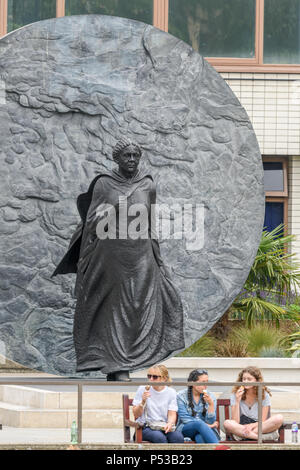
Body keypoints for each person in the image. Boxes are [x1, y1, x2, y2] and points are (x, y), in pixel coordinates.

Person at [52, 137, 184, 381]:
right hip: (111, 254)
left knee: (143, 305)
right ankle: (116, 365)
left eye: (136, 155)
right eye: (127, 155)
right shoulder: (104, 183)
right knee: (114, 308)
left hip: (141, 253)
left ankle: (127, 361)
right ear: (117, 158)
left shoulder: (147, 185)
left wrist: (158, 257)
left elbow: (150, 223)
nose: (132, 160)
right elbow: (91, 221)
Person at [223, 366, 283, 440]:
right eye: (244, 379)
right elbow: (235, 421)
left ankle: (244, 436)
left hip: (258, 426)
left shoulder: (263, 394)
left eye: (249, 379)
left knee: (279, 418)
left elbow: (263, 421)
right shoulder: (235, 394)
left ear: (257, 381)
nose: (245, 382)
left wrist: (251, 426)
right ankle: (259, 438)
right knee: (227, 423)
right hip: (242, 426)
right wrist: (237, 401)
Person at [132, 364, 184, 443]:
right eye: (149, 376)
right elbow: (136, 414)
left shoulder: (171, 392)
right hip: (145, 427)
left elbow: (172, 414)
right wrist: (142, 402)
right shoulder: (142, 389)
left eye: (155, 377)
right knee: (159, 437)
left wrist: (170, 424)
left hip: (162, 425)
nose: (151, 379)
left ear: (164, 378)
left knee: (178, 437)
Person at [176, 369, 220, 443]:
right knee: (199, 424)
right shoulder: (181, 396)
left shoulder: (211, 396)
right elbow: (185, 418)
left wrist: (211, 404)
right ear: (193, 383)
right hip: (187, 429)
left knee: (200, 438)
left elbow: (210, 421)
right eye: (203, 382)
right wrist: (206, 426)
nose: (206, 386)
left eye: (207, 382)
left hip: (205, 432)